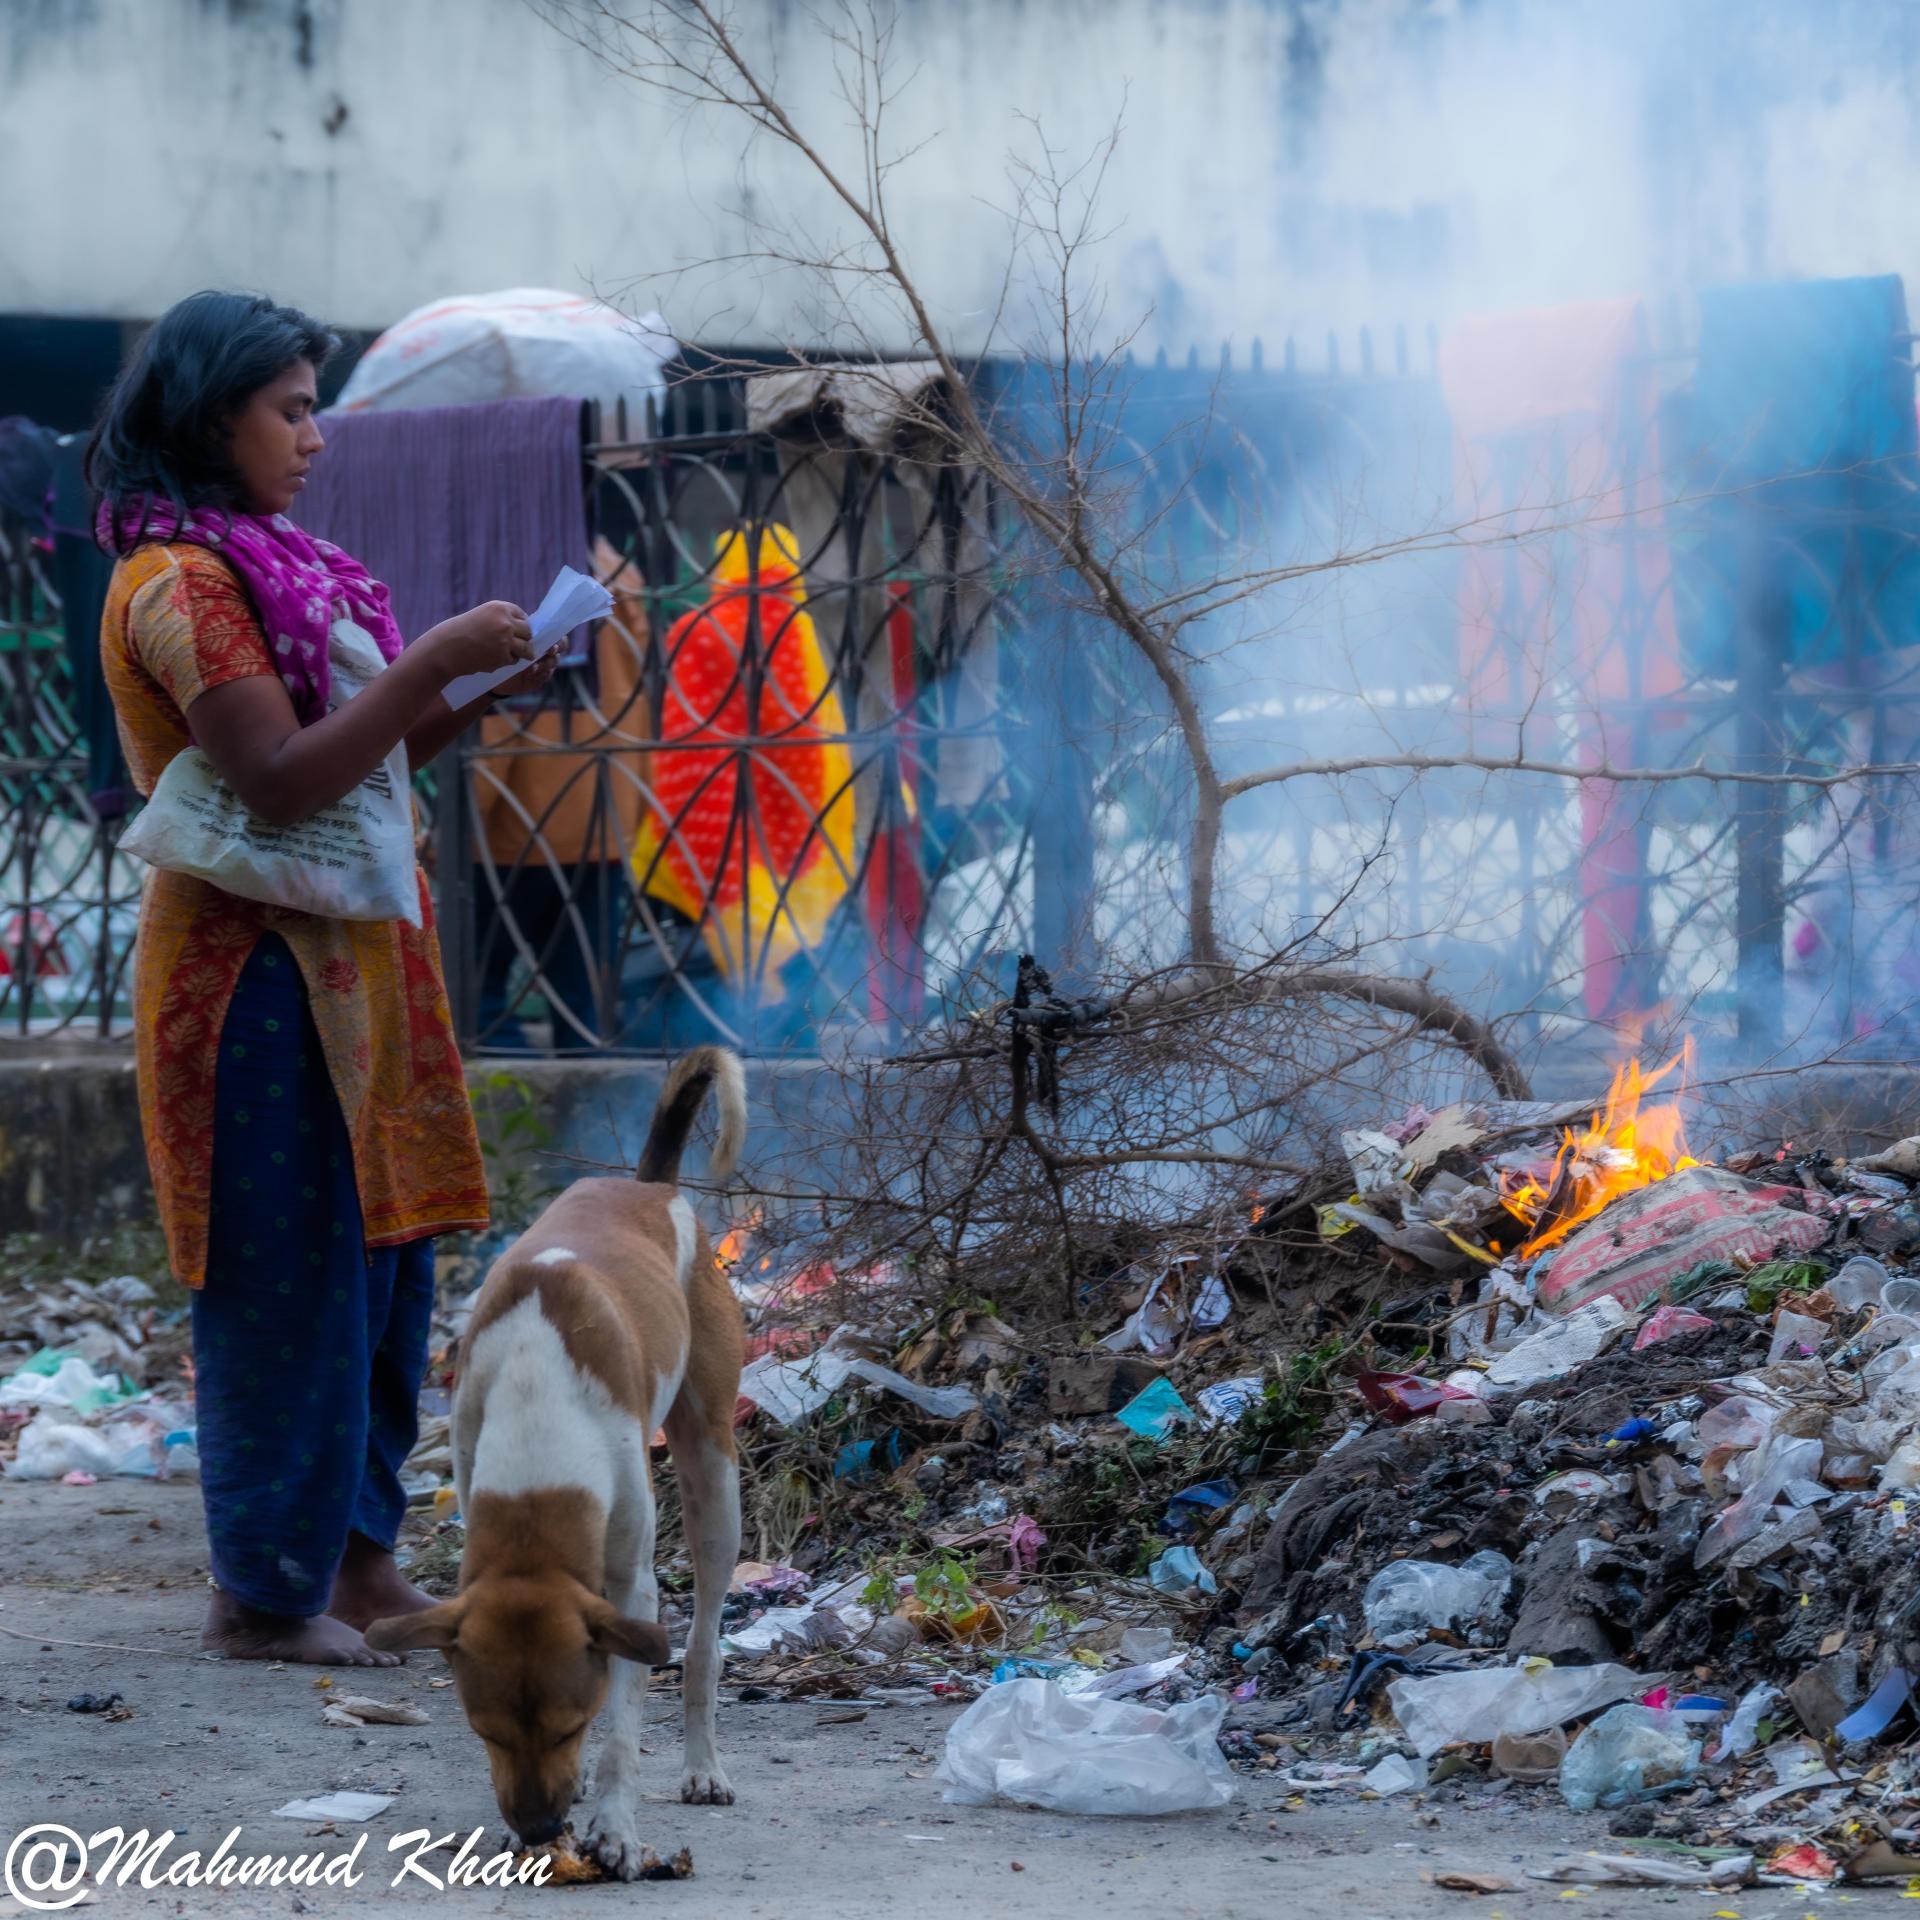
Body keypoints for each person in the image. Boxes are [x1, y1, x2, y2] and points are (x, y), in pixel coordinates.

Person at [92, 290, 558, 1666]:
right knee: (287, 1278)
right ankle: (262, 1592)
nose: (314, 437)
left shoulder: (281, 561)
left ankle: (359, 1570)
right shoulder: (178, 581)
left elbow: (364, 761)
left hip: (361, 960)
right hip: (252, 981)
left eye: (313, 407)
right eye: (290, 409)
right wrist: (425, 662)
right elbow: (281, 782)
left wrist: (469, 686)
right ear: (208, 413)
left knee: (385, 1270)